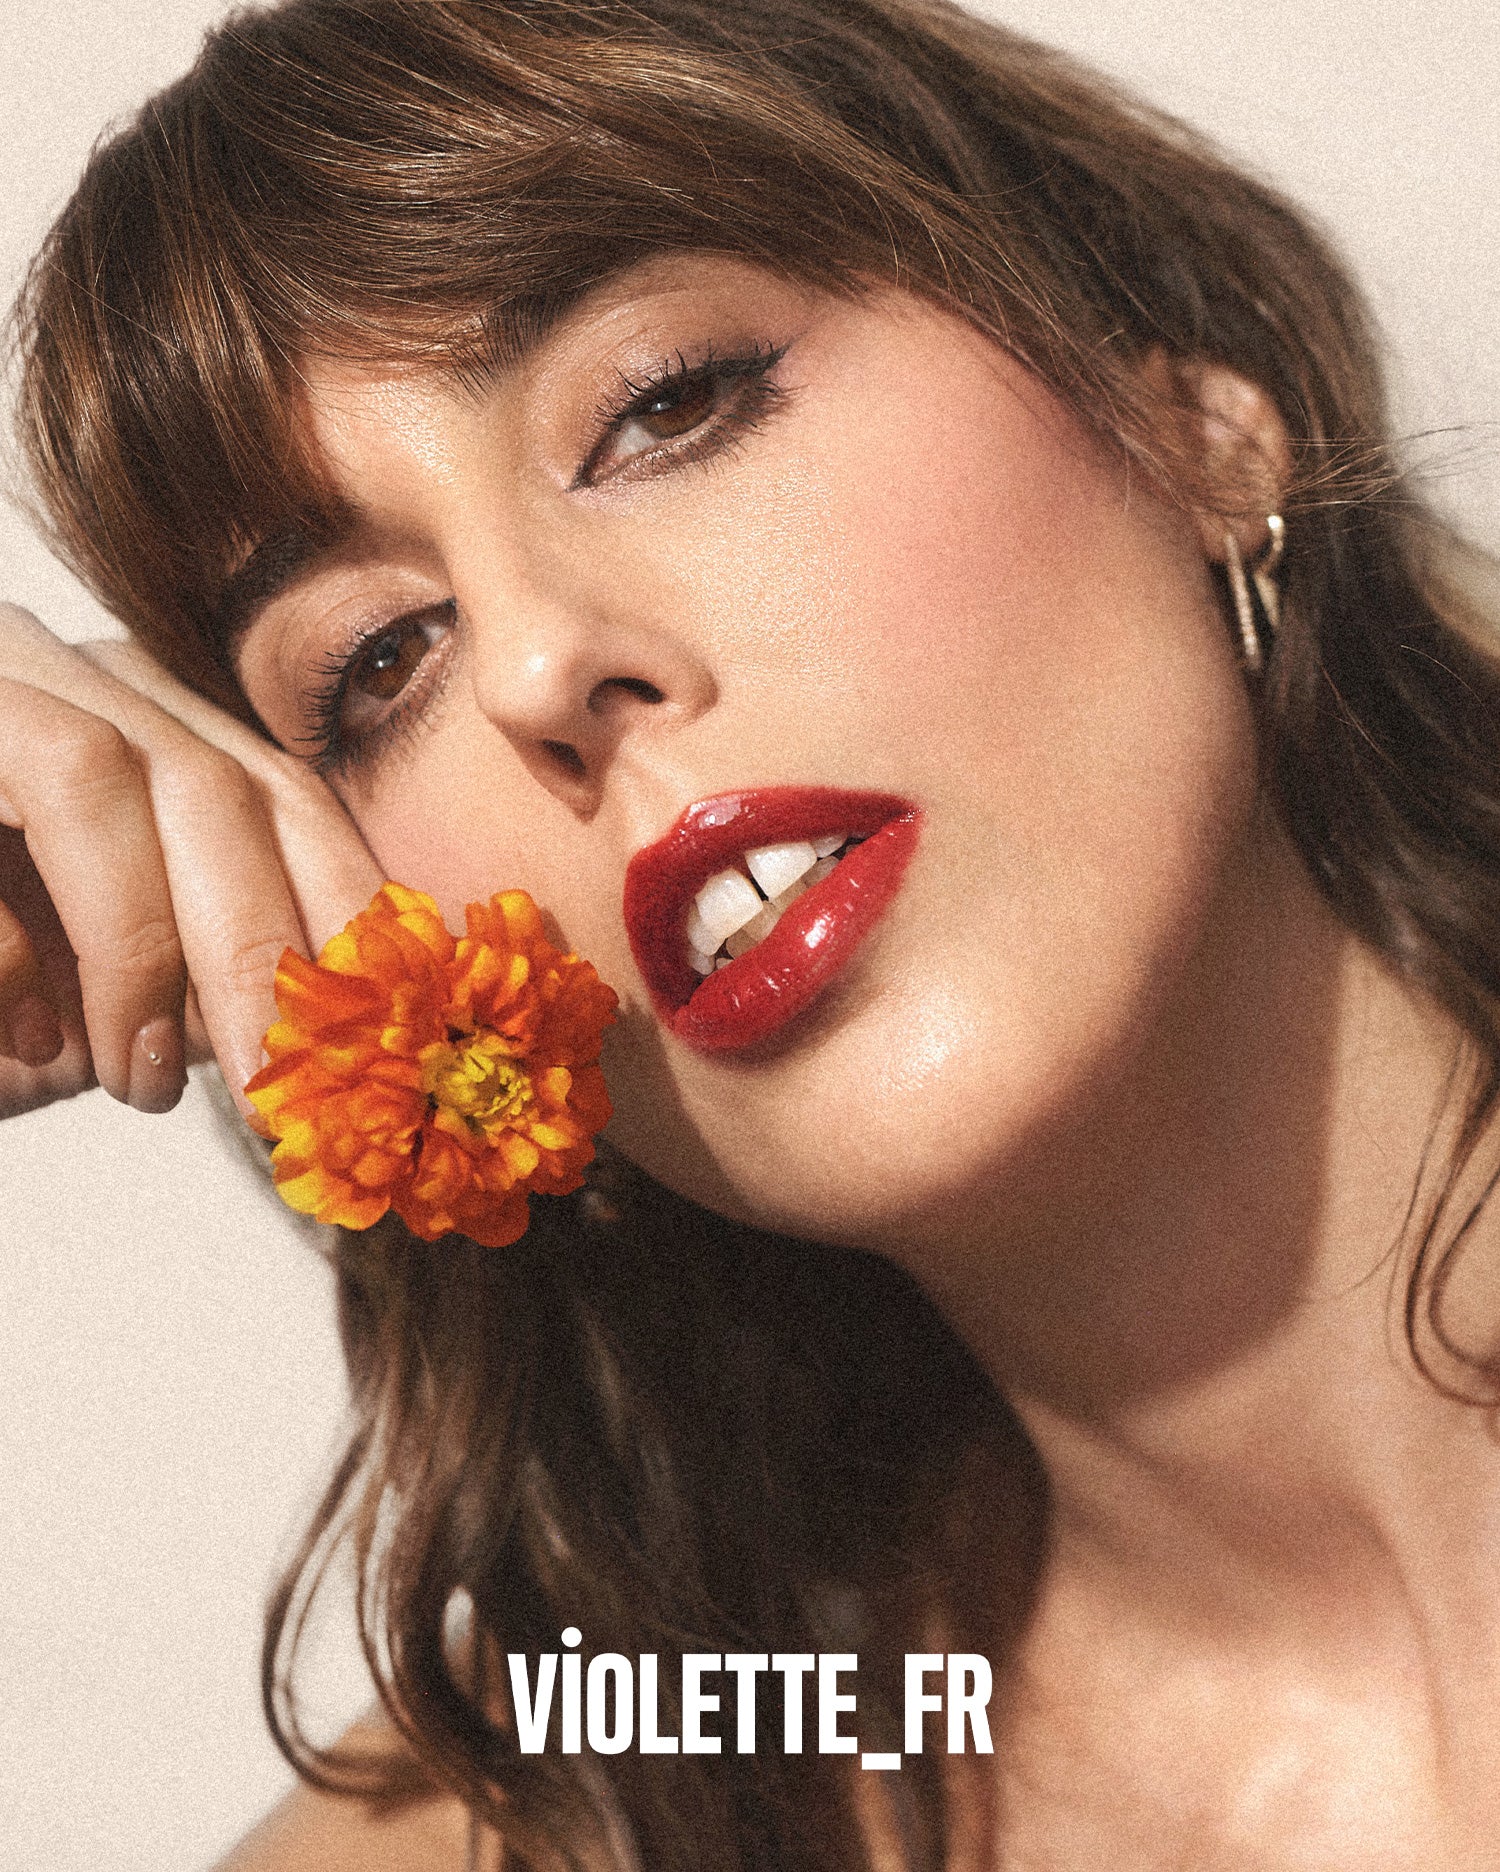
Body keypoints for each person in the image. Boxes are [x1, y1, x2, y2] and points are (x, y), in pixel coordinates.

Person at [6, 0, 1500, 1864]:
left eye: (667, 403)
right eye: (380, 660)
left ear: (1187, 426)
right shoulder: (592, 1800)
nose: (536, 665)